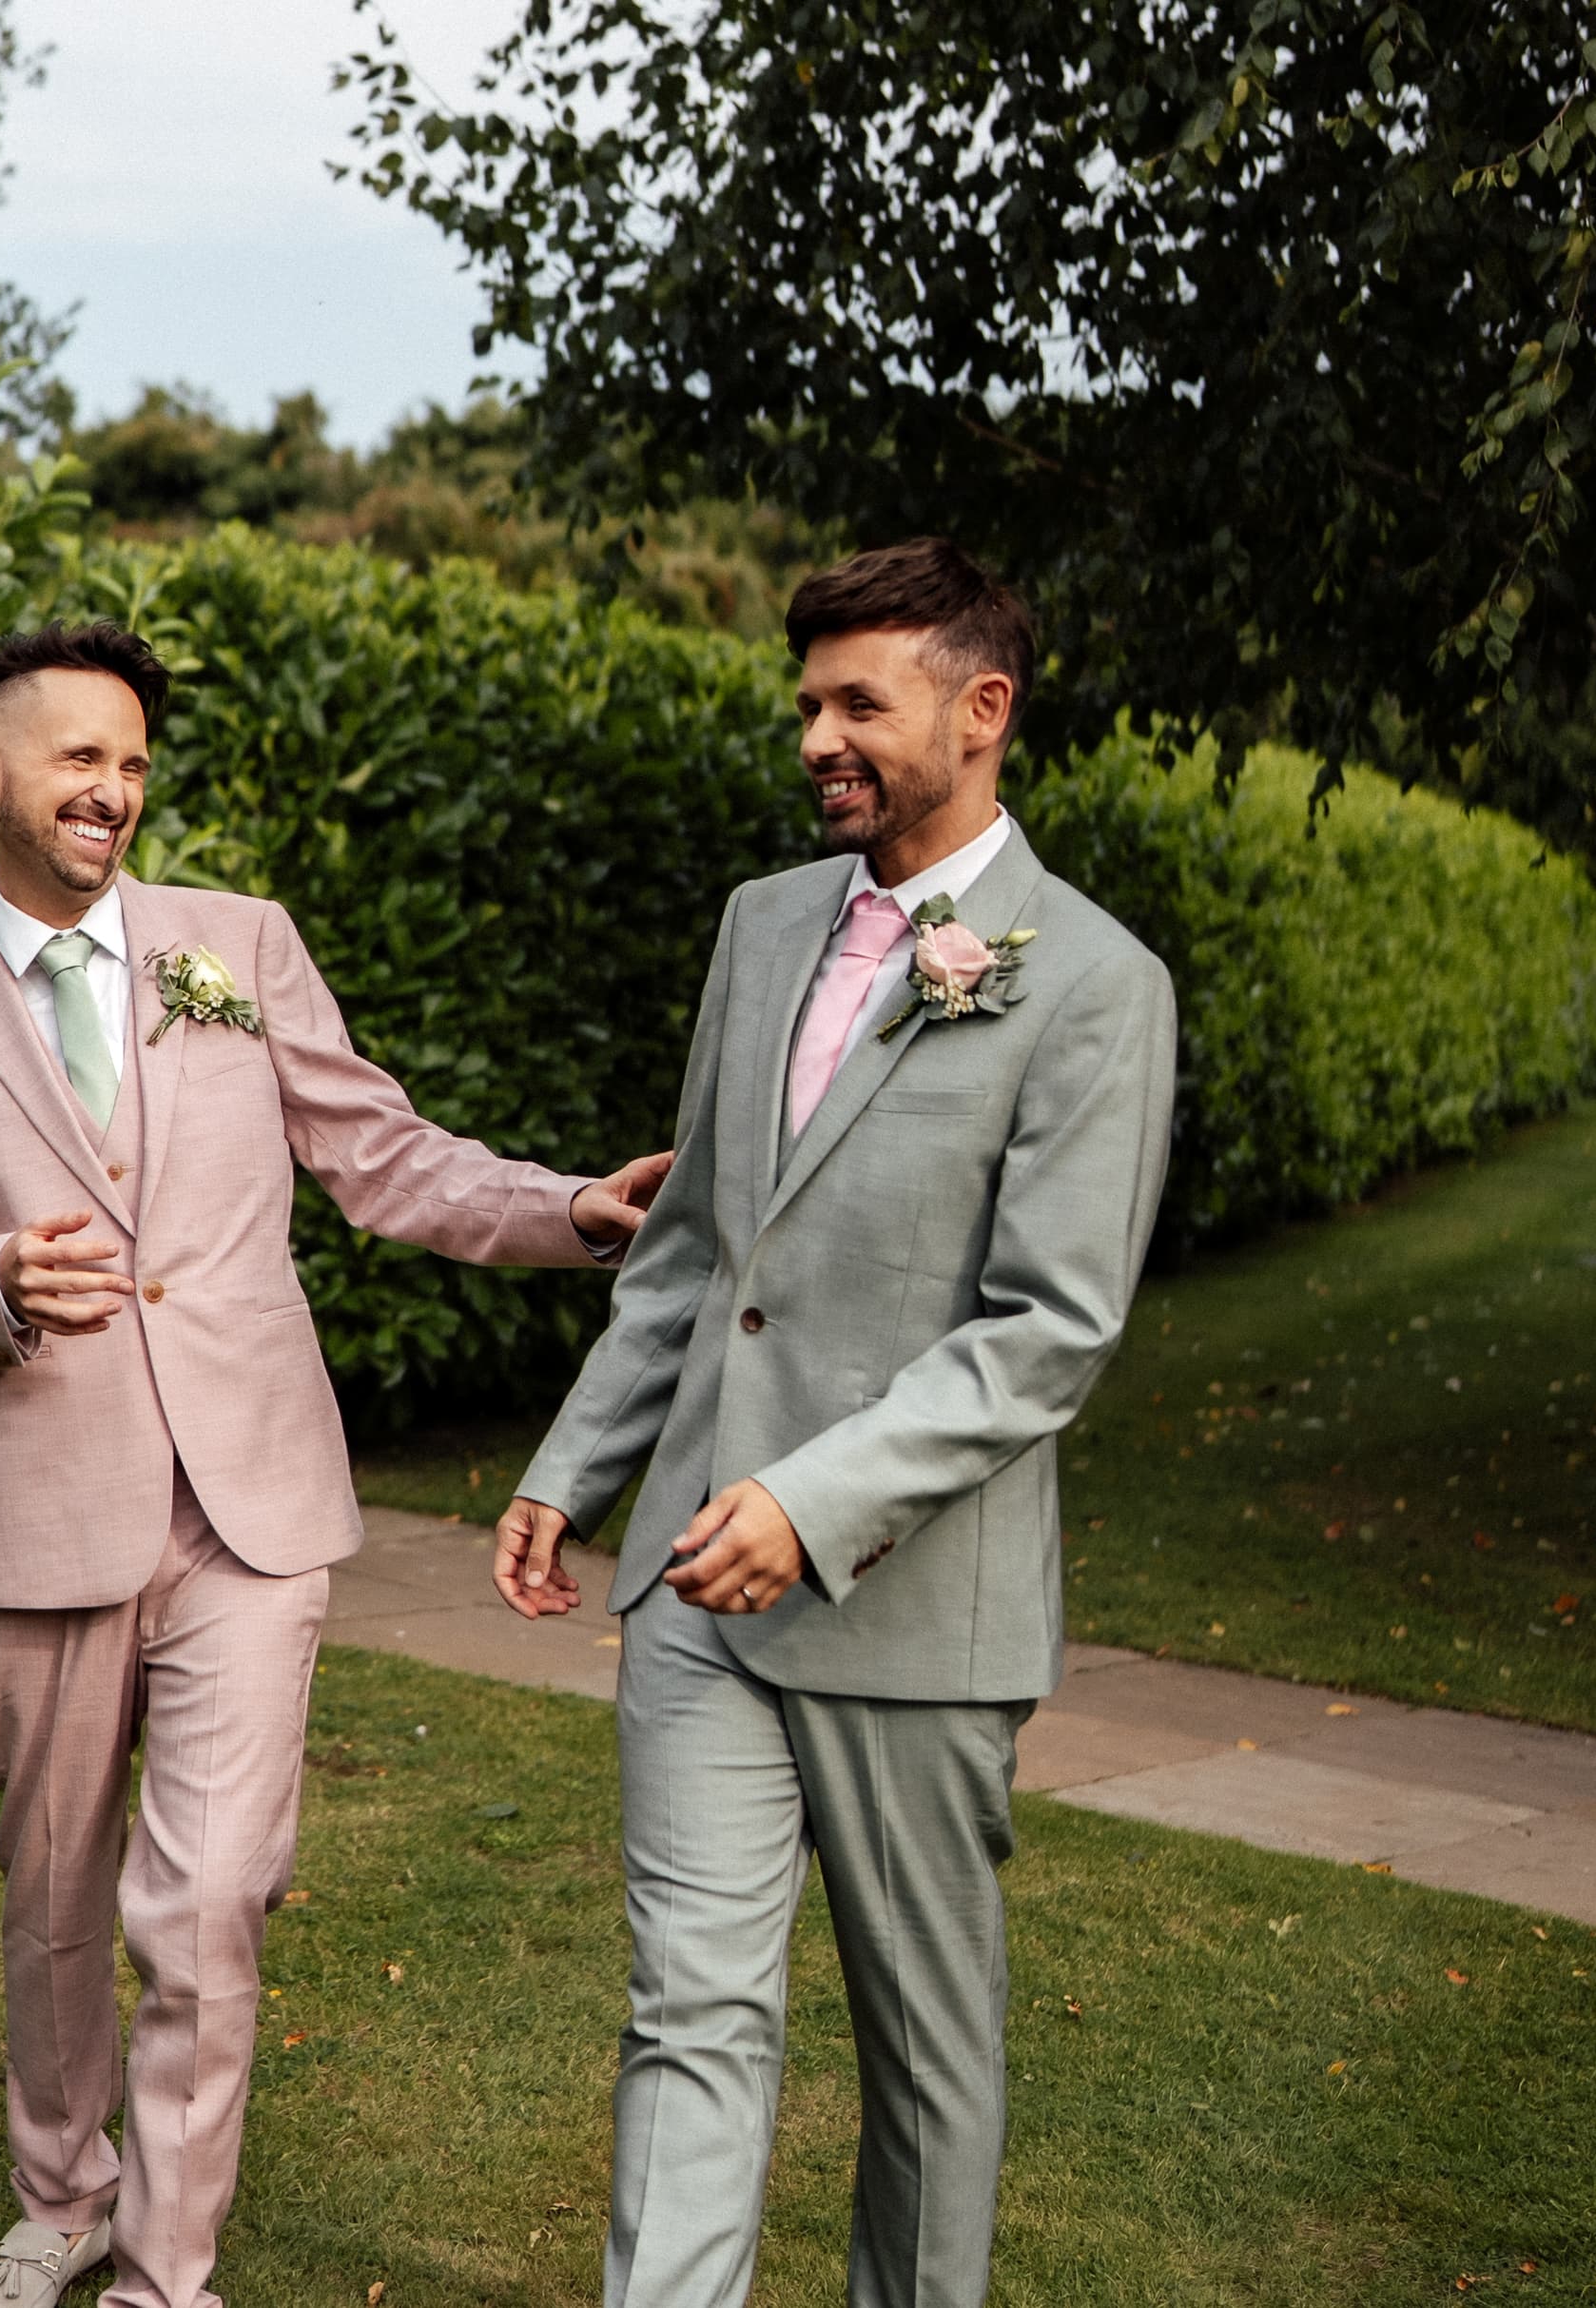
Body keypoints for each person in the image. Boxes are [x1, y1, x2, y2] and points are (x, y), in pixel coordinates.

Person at [0, 620, 669, 2308]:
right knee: (57, 1898)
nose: (115, 789)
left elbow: (380, 1154)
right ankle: (61, 2192)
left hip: (253, 1504)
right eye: (81, 757)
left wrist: (569, 1209)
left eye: (136, 762)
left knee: (210, 1896)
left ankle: (166, 2270)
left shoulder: (238, 943)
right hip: (52, 1505)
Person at [494, 538, 1178, 2308]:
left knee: (926, 2063)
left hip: (913, 1612)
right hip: (694, 1599)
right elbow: (705, 1243)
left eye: (855, 702)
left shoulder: (1095, 982)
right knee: (692, 2015)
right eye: (805, 701)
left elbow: (1050, 1329)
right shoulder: (760, 924)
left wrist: (810, 1500)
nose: (817, 735)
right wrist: (574, 1471)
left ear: (982, 707)